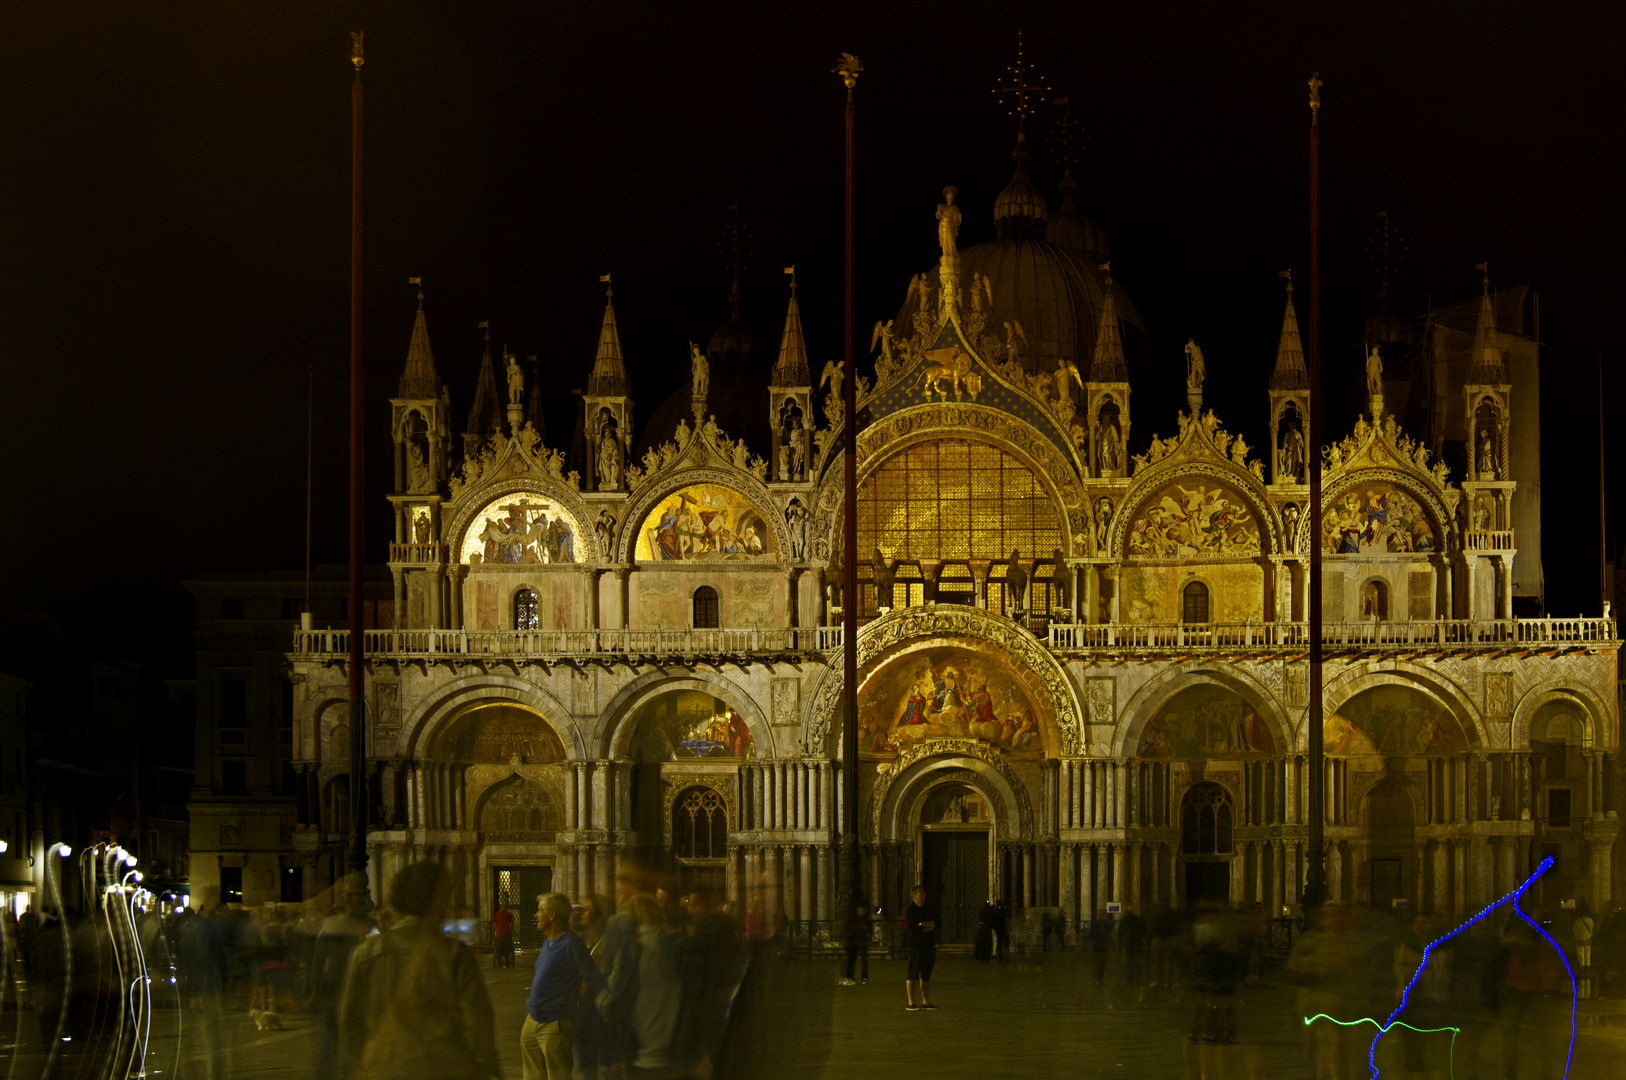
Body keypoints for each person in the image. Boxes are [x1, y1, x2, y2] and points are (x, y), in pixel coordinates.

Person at [338, 861, 499, 1080]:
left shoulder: (364, 953)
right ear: (437, 901)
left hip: (383, 1071)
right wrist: (486, 1068)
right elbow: (478, 1023)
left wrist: (372, 1062)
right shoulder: (453, 953)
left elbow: (350, 1024)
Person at [522, 891, 606, 1080]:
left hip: (555, 1024)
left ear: (552, 915)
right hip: (533, 1020)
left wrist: (607, 1005)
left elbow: (593, 975)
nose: (536, 915)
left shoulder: (572, 944)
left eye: (539, 911)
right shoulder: (547, 942)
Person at [904, 885, 938, 1011]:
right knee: (912, 973)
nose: (924, 896)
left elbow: (933, 924)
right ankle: (911, 1002)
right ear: (914, 896)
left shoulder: (928, 909)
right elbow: (912, 928)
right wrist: (925, 926)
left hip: (928, 945)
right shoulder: (911, 911)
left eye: (924, 893)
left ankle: (926, 1001)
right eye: (921, 894)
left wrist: (921, 925)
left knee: (926, 974)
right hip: (915, 946)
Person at [841, 896, 872, 985]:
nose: (861, 912)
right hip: (854, 942)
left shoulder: (866, 919)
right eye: (859, 910)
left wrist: (866, 930)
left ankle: (864, 977)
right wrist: (859, 928)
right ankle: (849, 977)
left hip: (863, 942)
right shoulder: (853, 919)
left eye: (862, 910)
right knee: (851, 961)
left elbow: (870, 930)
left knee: (864, 961)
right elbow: (849, 929)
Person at [492, 902, 515, 969]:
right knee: (507, 947)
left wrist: (496, 931)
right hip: (507, 933)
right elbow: (511, 925)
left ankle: (500, 961)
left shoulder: (497, 914)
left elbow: (494, 925)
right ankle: (507, 960)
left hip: (499, 933)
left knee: (499, 947)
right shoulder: (509, 914)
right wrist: (511, 931)